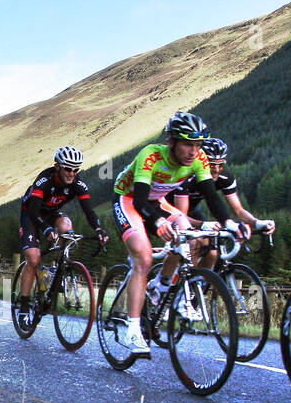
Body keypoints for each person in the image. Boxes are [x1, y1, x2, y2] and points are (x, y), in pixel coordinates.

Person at [111, 112, 240, 355]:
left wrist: (230, 224)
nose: (194, 151)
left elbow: (212, 196)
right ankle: (133, 329)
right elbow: (139, 200)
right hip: (129, 199)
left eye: (198, 145)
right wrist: (158, 220)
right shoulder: (150, 155)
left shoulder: (199, 159)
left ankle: (162, 287)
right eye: (187, 144)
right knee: (144, 258)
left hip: (157, 200)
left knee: (187, 232)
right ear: (172, 142)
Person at [14, 146, 108, 326]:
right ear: (57, 166)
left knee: (67, 227)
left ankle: (59, 271)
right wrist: (47, 230)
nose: (72, 173)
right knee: (33, 259)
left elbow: (88, 210)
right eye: (68, 168)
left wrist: (98, 229)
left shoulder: (78, 184)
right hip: (31, 214)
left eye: (75, 169)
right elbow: (34, 211)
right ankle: (24, 308)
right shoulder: (44, 180)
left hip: (51, 214)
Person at [174, 137, 274, 271]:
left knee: (212, 253)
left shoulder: (225, 178)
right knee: (195, 243)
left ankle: (199, 285)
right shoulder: (186, 177)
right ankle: (185, 287)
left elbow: (238, 210)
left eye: (220, 165)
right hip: (171, 211)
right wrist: (203, 225)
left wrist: (257, 222)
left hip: (193, 211)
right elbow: (180, 215)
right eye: (211, 165)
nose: (216, 170)